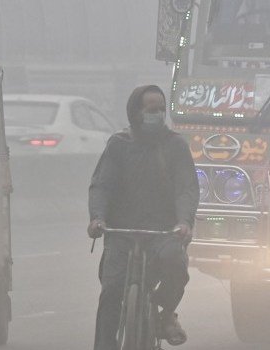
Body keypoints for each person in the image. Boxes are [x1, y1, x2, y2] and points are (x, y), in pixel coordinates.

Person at [88, 85, 197, 349]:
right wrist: (97, 218)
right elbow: (102, 185)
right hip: (121, 232)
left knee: (176, 265)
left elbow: (186, 188)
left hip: (163, 232)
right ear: (135, 112)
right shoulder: (119, 145)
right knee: (111, 290)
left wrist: (184, 222)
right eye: (151, 110)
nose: (158, 114)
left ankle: (165, 314)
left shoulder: (176, 145)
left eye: (161, 109)